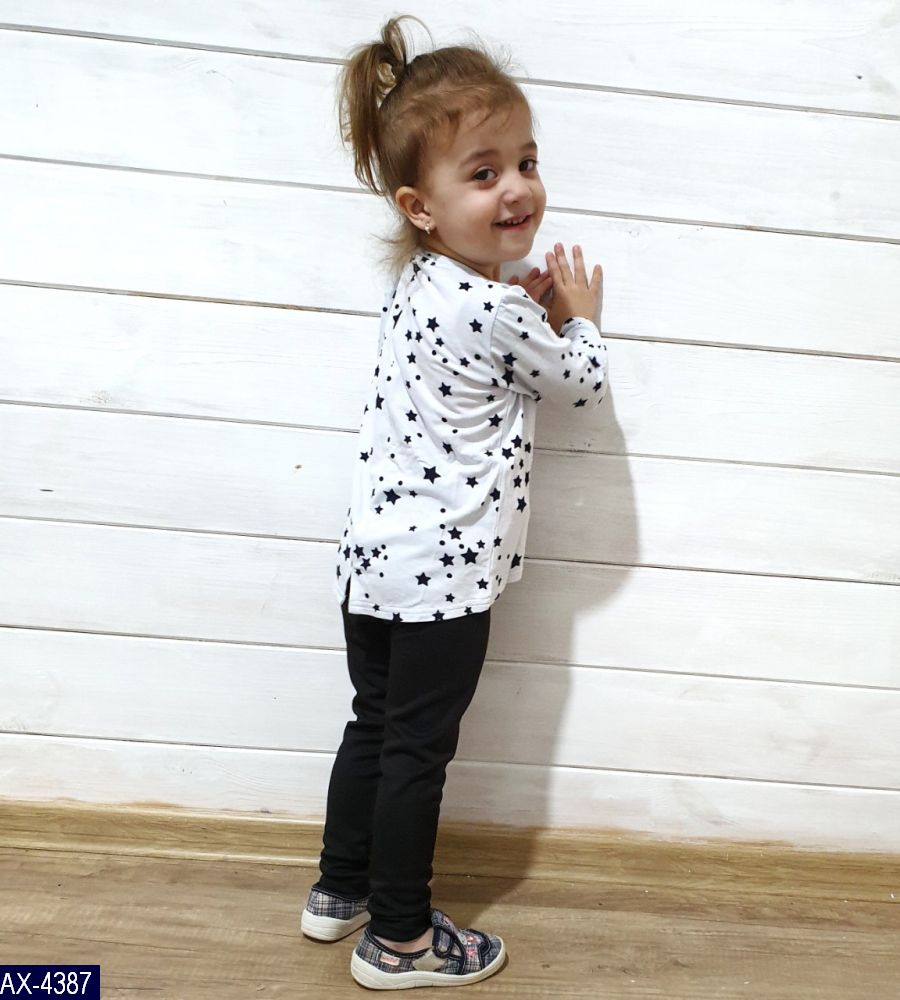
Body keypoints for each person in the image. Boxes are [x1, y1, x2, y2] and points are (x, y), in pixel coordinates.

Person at [300, 13, 608, 990]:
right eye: (483, 173)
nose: (516, 187)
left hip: (373, 563)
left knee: (374, 725)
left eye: (525, 161)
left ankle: (338, 889)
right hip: (442, 579)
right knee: (417, 754)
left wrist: (531, 308)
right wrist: (580, 320)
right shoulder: (496, 307)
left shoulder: (422, 284)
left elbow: (486, 354)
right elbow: (579, 384)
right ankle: (399, 938)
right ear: (421, 205)